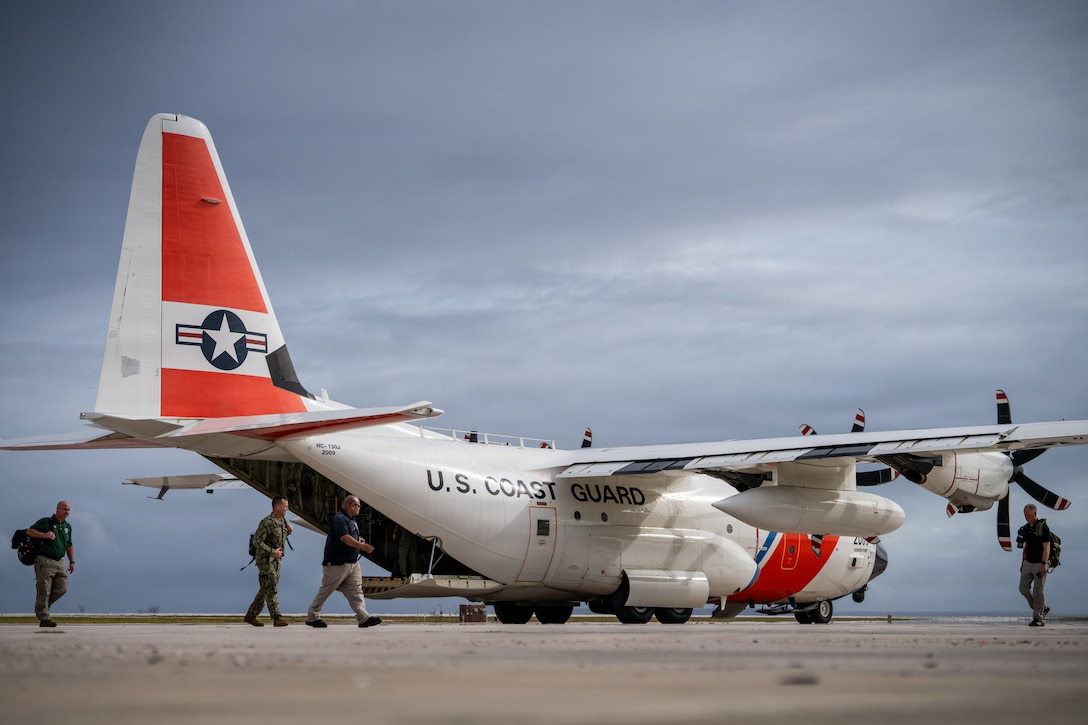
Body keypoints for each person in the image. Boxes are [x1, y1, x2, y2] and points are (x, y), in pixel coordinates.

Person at [305, 496, 382, 629]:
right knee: (327, 590)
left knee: (356, 590)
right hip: (337, 564)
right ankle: (312, 616)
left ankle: (363, 617)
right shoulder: (340, 519)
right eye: (358, 506)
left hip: (352, 564)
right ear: (351, 505)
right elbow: (345, 538)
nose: (359, 509)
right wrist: (361, 546)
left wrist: (359, 540)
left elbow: (350, 536)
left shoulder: (351, 520)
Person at [244, 496, 293, 627]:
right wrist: (272, 551)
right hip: (265, 561)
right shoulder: (267, 522)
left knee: (265, 589)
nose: (287, 508)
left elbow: (278, 538)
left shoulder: (281, 521)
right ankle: (277, 617)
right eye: (285, 506)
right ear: (278, 507)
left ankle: (251, 615)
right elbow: (257, 541)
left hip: (276, 561)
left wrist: (288, 532)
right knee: (271, 588)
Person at [26, 501, 75, 628]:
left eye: (69, 510)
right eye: (65, 509)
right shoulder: (46, 522)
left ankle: (42, 607)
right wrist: (44, 535)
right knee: (44, 590)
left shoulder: (67, 526)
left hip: (60, 561)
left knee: (62, 588)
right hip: (45, 560)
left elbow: (69, 545)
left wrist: (72, 561)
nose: (67, 512)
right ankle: (44, 618)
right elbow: (30, 531)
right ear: (57, 509)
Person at [1018, 503, 1051, 627]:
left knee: (1038, 591)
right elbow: (1025, 547)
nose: (1026, 517)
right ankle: (1042, 608)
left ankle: (1038, 619)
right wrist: (1022, 563)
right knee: (1023, 589)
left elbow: (1046, 546)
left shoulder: (1043, 527)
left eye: (1028, 515)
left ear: (1035, 514)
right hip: (1028, 563)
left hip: (1039, 563)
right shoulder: (1026, 528)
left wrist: (1044, 563)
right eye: (1025, 515)